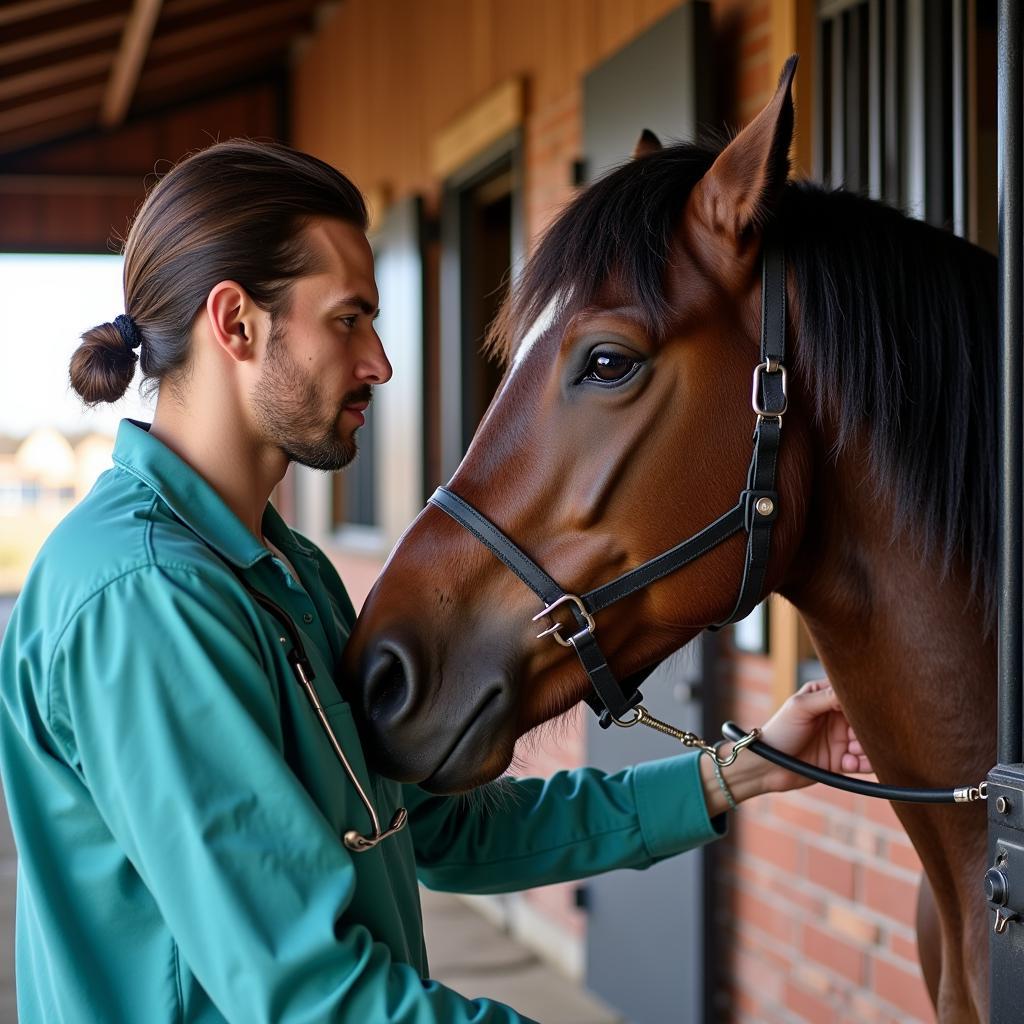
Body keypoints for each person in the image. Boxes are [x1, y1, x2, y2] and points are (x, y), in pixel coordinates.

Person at [0, 140, 870, 1024]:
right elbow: (311, 997)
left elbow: (441, 830)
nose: (379, 361)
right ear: (236, 324)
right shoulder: (146, 597)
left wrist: (743, 769)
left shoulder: (282, 569)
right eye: (348, 319)